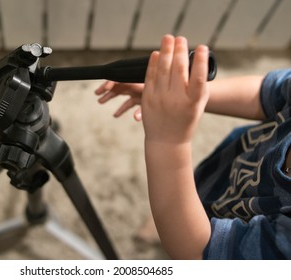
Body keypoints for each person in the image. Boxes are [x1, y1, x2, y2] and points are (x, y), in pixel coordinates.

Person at [94, 34, 291, 259]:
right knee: (183, 194)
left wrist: (168, 141)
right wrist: (189, 95)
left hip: (218, 240)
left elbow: (198, 253)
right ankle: (165, 222)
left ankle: (168, 224)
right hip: (222, 177)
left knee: (178, 231)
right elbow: (269, 92)